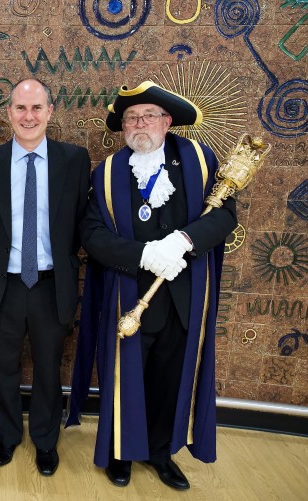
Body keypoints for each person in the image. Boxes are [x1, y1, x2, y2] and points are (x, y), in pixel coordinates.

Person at [69, 81, 237, 490]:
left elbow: (224, 215)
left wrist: (184, 240)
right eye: (131, 118)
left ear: (167, 122)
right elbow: (91, 233)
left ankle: (161, 453)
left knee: (171, 376)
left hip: (184, 296)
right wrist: (142, 255)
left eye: (148, 116)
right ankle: (121, 453)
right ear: (122, 126)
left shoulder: (199, 160)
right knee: (124, 376)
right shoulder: (106, 173)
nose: (139, 123)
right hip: (129, 297)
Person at [0, 78, 90, 476]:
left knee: (49, 367)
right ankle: (7, 436)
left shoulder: (74, 160)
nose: (29, 116)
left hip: (52, 284)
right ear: (9, 114)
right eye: (20, 108)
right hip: (4, 284)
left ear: (50, 112)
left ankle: (44, 440)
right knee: (3, 366)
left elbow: (77, 223)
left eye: (37, 108)